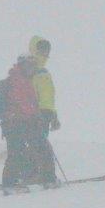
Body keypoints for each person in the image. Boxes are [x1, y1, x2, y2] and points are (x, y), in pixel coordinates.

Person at [0, 55, 40, 188]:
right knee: (16, 153)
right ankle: (9, 184)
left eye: (33, 65)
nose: (31, 68)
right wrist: (10, 115)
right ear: (22, 66)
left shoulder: (27, 82)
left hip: (24, 124)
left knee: (26, 151)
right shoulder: (12, 83)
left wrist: (36, 116)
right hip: (14, 124)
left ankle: (24, 178)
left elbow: (31, 104)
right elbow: (23, 104)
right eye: (28, 65)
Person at [28, 36, 59, 186]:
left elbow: (49, 97)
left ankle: (40, 174)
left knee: (39, 143)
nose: (45, 53)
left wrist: (54, 115)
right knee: (39, 143)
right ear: (35, 49)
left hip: (45, 112)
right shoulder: (31, 70)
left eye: (47, 50)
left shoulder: (44, 71)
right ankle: (42, 175)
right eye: (42, 50)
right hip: (38, 112)